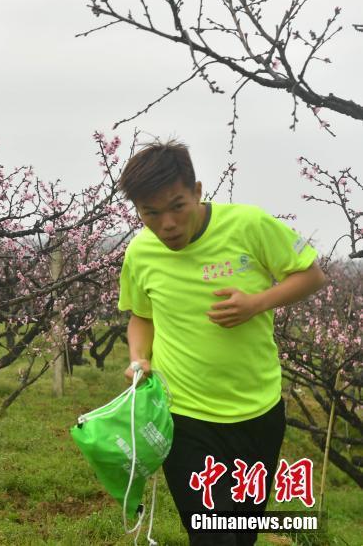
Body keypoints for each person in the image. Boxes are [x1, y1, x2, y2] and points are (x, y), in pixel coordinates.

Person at [116, 141, 326, 546]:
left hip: (258, 413)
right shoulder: (140, 252)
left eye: (177, 206)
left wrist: (256, 303)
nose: (167, 225)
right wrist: (139, 357)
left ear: (196, 191)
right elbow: (141, 315)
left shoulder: (249, 226)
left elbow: (312, 275)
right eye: (151, 214)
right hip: (185, 416)